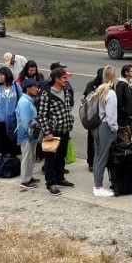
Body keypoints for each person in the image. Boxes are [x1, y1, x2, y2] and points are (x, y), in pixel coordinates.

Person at [38, 67, 75, 196]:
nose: (66, 80)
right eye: (64, 78)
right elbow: (42, 115)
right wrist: (47, 132)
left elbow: (68, 108)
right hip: (53, 132)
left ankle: (60, 178)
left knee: (61, 157)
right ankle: (50, 183)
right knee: (50, 159)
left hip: (65, 130)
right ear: (56, 79)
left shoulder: (65, 91)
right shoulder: (47, 94)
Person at [92, 65, 117, 197]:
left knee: (97, 156)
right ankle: (98, 186)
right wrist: (115, 129)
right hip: (106, 127)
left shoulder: (99, 90)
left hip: (97, 125)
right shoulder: (110, 93)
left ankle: (96, 183)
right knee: (102, 157)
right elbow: (111, 116)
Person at [0, 67, 23, 156]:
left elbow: (21, 100)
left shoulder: (16, 86)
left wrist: (17, 113)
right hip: (1, 122)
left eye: (1, 75)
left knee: (12, 143)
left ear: (7, 75)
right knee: (1, 143)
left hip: (13, 121)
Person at [16, 77, 41, 188]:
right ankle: (25, 180)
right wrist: (31, 135)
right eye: (34, 87)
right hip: (27, 134)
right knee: (27, 157)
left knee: (31, 156)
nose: (36, 89)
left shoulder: (29, 100)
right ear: (28, 89)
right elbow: (26, 122)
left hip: (31, 134)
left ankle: (29, 176)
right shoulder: (25, 102)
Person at [83, 67, 104, 172]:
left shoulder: (107, 85)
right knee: (92, 140)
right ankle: (91, 162)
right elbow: (88, 99)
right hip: (92, 117)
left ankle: (99, 160)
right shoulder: (91, 85)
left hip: (102, 117)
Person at [116, 64, 132, 145]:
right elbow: (119, 103)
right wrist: (127, 114)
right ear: (126, 73)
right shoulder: (121, 85)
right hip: (123, 121)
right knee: (124, 143)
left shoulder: (128, 84)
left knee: (128, 141)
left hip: (129, 120)